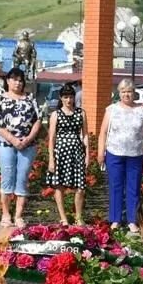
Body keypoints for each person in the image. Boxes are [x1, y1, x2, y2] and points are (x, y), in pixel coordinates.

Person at [97, 80, 143, 231]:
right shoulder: (111, 110)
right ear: (119, 93)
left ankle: (132, 220)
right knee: (116, 187)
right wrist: (100, 152)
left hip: (136, 155)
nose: (126, 94)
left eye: (128, 91)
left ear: (133, 92)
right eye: (123, 91)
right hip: (114, 154)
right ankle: (115, 219)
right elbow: (102, 132)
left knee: (133, 188)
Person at [0, 69, 41, 228]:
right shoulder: (0, 99)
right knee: (7, 176)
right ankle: (6, 214)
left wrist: (28, 139)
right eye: (14, 79)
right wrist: (13, 140)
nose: (17, 83)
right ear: (7, 81)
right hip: (6, 143)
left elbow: (38, 120)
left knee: (22, 177)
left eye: (20, 80)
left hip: (27, 145)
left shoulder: (29, 99)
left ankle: (18, 215)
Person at [46, 84, 89, 225]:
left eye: (71, 97)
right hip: (61, 153)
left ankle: (78, 216)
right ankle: (63, 217)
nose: (69, 100)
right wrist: (51, 159)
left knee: (80, 187)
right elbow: (51, 138)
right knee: (59, 186)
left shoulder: (81, 113)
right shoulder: (55, 114)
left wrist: (87, 155)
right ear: (61, 98)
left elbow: (85, 135)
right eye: (66, 97)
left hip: (77, 152)